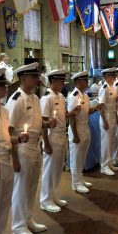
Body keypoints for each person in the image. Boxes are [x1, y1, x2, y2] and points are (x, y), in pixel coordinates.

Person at [6, 62, 54, 234]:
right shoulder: (16, 100)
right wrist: (15, 159)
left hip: (35, 146)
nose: (37, 80)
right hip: (22, 148)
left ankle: (28, 219)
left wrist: (47, 125)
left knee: (33, 186)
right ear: (23, 78)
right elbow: (8, 132)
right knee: (21, 189)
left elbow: (37, 123)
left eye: (37, 77)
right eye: (34, 77)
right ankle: (18, 227)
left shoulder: (34, 98)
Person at [40, 69, 80, 212]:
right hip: (52, 136)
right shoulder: (47, 98)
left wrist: (72, 112)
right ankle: (45, 199)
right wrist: (46, 143)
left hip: (61, 135)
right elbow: (43, 122)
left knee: (57, 170)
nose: (63, 84)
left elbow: (63, 115)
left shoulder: (61, 97)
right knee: (49, 170)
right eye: (61, 81)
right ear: (53, 82)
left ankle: (53, 195)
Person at [0, 68, 29, 234]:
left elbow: (5, 138)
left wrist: (19, 139)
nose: (6, 88)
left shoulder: (3, 110)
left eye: (6, 85)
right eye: (1, 85)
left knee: (3, 206)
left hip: (6, 161)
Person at [68, 71, 100, 193]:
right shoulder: (74, 96)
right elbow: (72, 116)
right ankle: (75, 183)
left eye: (87, 80)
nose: (87, 82)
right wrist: (75, 135)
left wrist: (95, 108)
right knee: (76, 157)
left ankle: (80, 179)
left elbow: (87, 112)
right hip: (77, 129)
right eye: (85, 81)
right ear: (78, 82)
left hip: (85, 128)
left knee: (82, 156)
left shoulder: (85, 96)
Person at [98, 68, 117, 176]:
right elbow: (101, 106)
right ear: (107, 77)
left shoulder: (112, 87)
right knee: (106, 143)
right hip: (107, 116)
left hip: (113, 115)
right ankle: (104, 166)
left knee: (111, 142)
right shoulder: (104, 88)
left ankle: (109, 163)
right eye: (111, 76)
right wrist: (104, 121)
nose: (113, 78)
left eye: (114, 76)